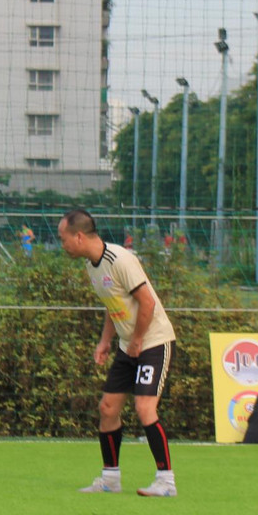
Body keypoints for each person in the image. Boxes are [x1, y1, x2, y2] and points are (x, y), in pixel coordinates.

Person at [57, 209, 178, 497]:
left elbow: (147, 303)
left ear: (79, 236)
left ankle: (166, 481)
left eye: (63, 238)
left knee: (145, 408)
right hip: (129, 345)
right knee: (108, 408)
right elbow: (114, 305)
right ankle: (110, 479)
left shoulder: (121, 259)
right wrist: (105, 341)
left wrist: (137, 341)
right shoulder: (91, 265)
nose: (62, 244)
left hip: (153, 342)